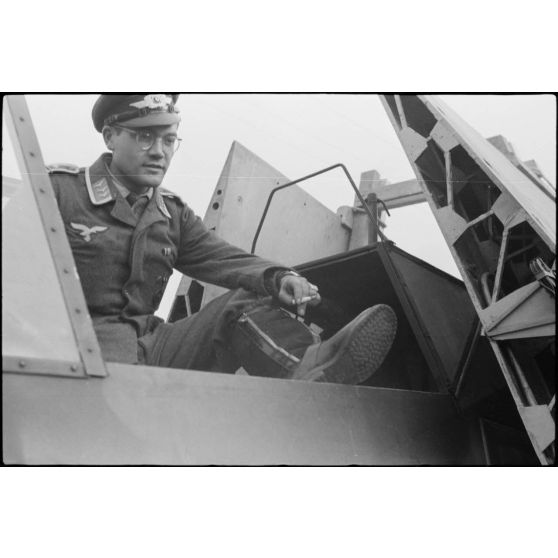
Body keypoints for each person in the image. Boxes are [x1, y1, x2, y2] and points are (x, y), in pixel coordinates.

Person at [48, 93, 397, 383]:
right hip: (78, 350)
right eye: (144, 137)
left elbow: (225, 259)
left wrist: (279, 277)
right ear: (110, 136)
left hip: (151, 349)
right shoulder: (59, 192)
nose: (159, 151)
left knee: (245, 298)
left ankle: (310, 369)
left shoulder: (171, 214)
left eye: (168, 140)